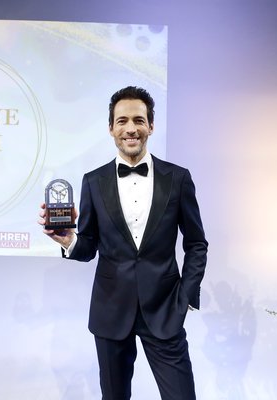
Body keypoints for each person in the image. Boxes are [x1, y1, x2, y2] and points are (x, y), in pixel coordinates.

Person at [39, 86, 208, 400]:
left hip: (164, 309)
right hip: (110, 311)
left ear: (151, 126)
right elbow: (88, 246)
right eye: (122, 121)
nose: (131, 128)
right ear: (111, 128)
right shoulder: (93, 181)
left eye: (139, 120)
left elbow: (197, 243)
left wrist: (185, 296)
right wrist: (69, 240)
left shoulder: (178, 178)